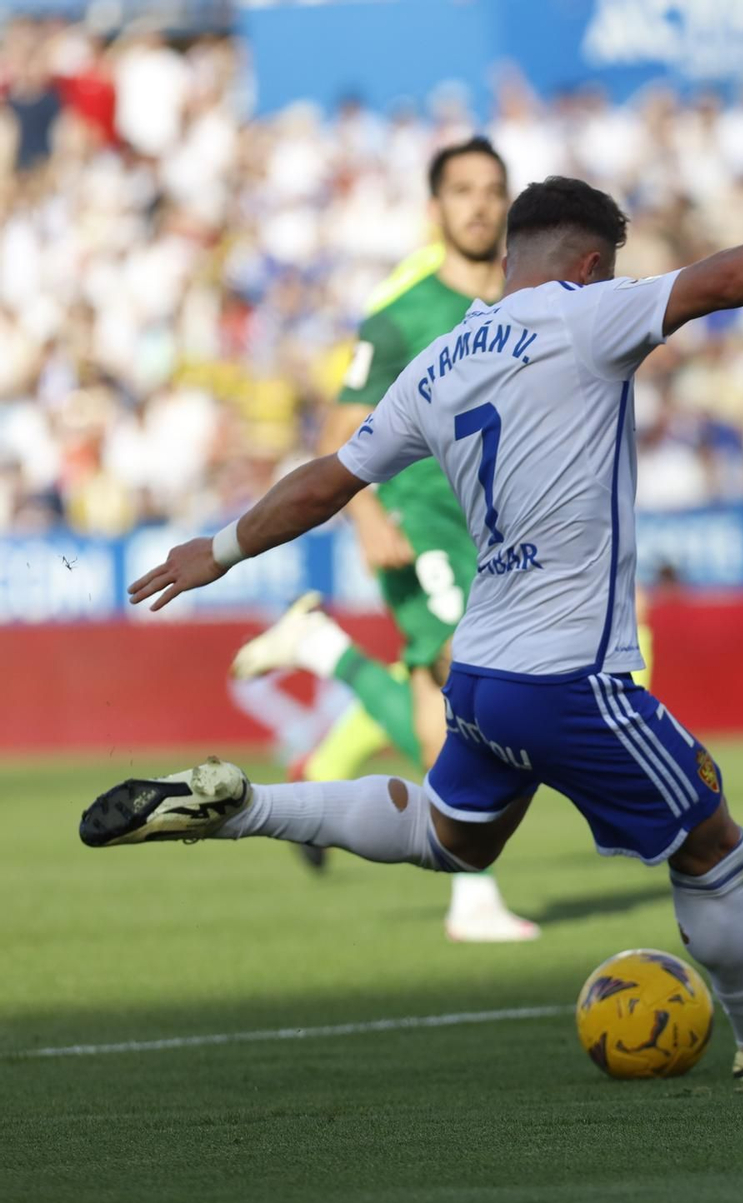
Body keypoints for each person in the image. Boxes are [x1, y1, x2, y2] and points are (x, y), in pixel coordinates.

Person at [79, 178, 743, 1078]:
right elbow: (724, 283)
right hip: (569, 675)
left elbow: (326, 481)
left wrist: (214, 550)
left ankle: (242, 807)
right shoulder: (585, 315)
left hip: (484, 671)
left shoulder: (440, 360)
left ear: (506, 258)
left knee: (454, 837)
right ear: (591, 264)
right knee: (711, 838)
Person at [229, 137, 539, 942]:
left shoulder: (528, 305)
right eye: (462, 190)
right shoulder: (400, 319)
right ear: (434, 209)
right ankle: (473, 890)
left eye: (492, 189)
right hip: (421, 527)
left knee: (456, 707)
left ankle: (325, 649)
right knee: (476, 698)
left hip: (501, 534)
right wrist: (366, 515)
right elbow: (339, 432)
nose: (478, 204)